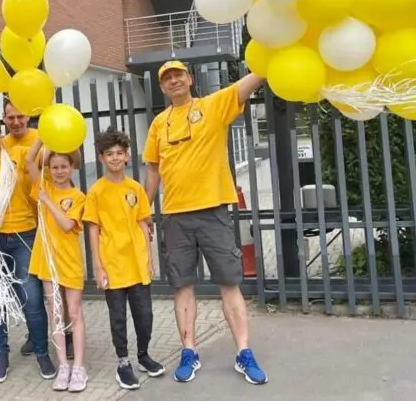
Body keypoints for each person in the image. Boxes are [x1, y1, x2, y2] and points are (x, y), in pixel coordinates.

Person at [143, 60, 267, 385]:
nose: (173, 81)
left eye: (178, 75)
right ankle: (189, 350)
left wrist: (269, 63)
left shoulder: (212, 106)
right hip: (175, 215)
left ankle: (243, 352)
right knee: (182, 286)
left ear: (189, 79)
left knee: (229, 283)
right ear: (162, 87)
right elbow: (153, 169)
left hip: (213, 211)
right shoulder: (158, 123)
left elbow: (246, 85)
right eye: (167, 78)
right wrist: (143, 210)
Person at [0, 112, 54, 383]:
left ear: (0, 131)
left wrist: (50, 124)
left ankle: (42, 353)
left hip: (22, 234)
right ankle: (1, 355)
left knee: (32, 297)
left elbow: (53, 155)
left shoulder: (18, 153)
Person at [84, 127, 164, 390]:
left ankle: (143, 355)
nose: (115, 158)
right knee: (118, 317)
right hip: (112, 265)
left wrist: (149, 260)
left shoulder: (136, 188)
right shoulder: (96, 192)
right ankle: (123, 361)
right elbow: (93, 230)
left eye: (120, 153)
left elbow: (143, 223)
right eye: (110, 154)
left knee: (145, 315)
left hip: (137, 263)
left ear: (127, 156)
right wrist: (98, 267)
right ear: (101, 158)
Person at [2, 99, 74, 360]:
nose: (16, 122)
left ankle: (68, 333)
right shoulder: (0, 145)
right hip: (19, 226)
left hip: (47, 223)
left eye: (20, 116)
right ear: (4, 119)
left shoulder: (42, 138)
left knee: (58, 285)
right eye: (10, 117)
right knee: (29, 289)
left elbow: (68, 162)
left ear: (28, 117)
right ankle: (37, 333)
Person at [25, 140, 88, 393]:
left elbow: (66, 225)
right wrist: (43, 138)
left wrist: (47, 201)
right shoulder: (44, 185)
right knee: (56, 313)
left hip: (69, 260)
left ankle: (79, 366)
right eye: (54, 167)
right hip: (47, 259)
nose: (59, 171)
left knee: (74, 312)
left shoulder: (78, 196)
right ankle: (63, 365)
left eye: (64, 166)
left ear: (71, 167)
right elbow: (29, 161)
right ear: (48, 169)